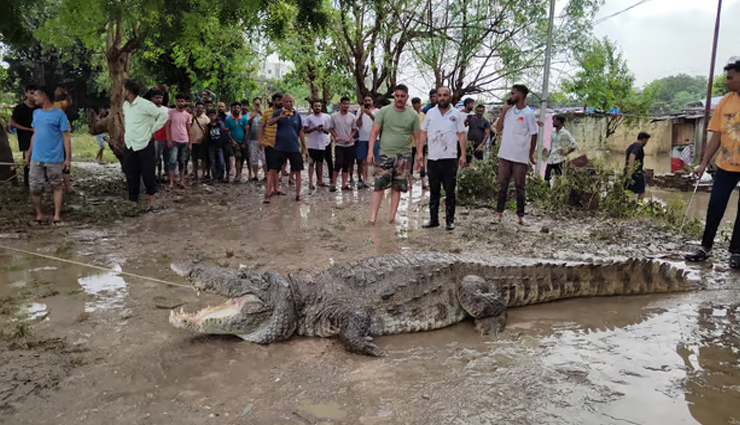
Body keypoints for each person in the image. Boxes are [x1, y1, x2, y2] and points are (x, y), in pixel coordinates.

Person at [685, 60, 740, 266]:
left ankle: (737, 252)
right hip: (725, 165)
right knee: (715, 205)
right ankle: (705, 247)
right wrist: (703, 163)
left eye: (730, 77)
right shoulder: (725, 102)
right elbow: (716, 136)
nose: (726, 82)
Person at [367, 84, 422, 224]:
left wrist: (420, 155)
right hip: (385, 154)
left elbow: (417, 137)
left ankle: (391, 217)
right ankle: (373, 217)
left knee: (397, 187)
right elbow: (374, 133)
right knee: (379, 186)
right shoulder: (384, 111)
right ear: (394, 96)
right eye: (397, 96)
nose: (399, 99)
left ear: (407, 97)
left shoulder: (413, 115)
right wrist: (370, 152)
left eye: (402, 96)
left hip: (404, 156)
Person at [420, 87, 466, 231]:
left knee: (450, 191)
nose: (442, 98)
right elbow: (423, 133)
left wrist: (463, 154)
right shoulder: (430, 113)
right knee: (434, 191)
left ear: (450, 97)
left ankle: (450, 221)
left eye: (445, 95)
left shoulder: (456, 115)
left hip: (450, 158)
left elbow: (461, 135)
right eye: (439, 95)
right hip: (433, 158)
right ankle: (433, 220)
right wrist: (420, 152)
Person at [23, 85, 70, 226]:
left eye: (36, 95)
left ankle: (56, 216)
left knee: (56, 186)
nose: (33, 98)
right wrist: (28, 153)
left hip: (54, 158)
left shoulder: (59, 114)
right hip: (37, 158)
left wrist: (68, 159)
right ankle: (40, 215)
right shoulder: (36, 114)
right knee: (35, 187)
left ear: (45, 96)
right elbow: (34, 134)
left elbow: (66, 137)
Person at [495, 84, 538, 226]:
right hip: (504, 155)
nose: (510, 96)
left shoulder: (528, 114)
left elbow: (534, 135)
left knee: (520, 186)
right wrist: (503, 111)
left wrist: (531, 155)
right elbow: (498, 128)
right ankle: (498, 213)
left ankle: (520, 216)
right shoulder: (508, 111)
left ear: (521, 95)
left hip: (520, 157)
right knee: (502, 185)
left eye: (513, 93)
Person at [121, 79, 169, 208]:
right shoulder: (125, 105)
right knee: (130, 173)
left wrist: (152, 129)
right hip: (130, 143)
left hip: (144, 143)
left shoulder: (145, 104)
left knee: (148, 173)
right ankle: (133, 200)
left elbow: (163, 116)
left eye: (123, 89)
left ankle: (152, 202)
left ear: (128, 91)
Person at [267, 93, 307, 201]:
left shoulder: (297, 115)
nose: (288, 103)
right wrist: (279, 118)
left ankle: (298, 195)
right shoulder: (278, 113)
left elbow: (301, 132)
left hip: (294, 147)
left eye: (290, 101)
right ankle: (267, 194)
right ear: (282, 102)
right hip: (279, 147)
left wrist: (305, 148)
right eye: (286, 101)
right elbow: (269, 123)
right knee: (272, 170)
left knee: (298, 171)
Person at [11, 84, 38, 186]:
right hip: (25, 136)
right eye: (31, 93)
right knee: (27, 158)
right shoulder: (19, 108)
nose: (33, 96)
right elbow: (12, 123)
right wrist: (28, 129)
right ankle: (27, 182)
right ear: (26, 93)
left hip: (38, 136)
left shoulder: (39, 108)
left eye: (35, 93)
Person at [330, 96, 358, 191]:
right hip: (339, 144)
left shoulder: (352, 117)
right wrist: (335, 136)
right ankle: (333, 183)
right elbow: (330, 128)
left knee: (347, 164)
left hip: (349, 144)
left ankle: (344, 184)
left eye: (347, 104)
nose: (346, 106)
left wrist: (350, 137)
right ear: (340, 104)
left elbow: (354, 129)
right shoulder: (334, 116)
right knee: (338, 163)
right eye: (344, 104)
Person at [304, 99, 332, 190]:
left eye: (319, 106)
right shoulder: (309, 118)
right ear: (312, 107)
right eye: (315, 106)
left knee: (320, 163)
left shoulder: (325, 117)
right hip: (312, 145)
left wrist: (323, 129)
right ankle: (311, 182)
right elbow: (304, 131)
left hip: (322, 144)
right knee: (311, 163)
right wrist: (314, 128)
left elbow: (328, 131)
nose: (317, 108)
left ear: (321, 107)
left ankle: (320, 181)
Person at [260, 93, 283, 202]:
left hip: (280, 144)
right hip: (269, 143)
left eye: (281, 100)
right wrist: (260, 140)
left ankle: (276, 188)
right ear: (273, 101)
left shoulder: (284, 113)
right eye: (278, 100)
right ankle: (267, 193)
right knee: (270, 169)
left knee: (277, 168)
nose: (280, 102)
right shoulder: (266, 112)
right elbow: (261, 126)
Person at [166, 94, 192, 189]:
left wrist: (190, 143)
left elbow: (189, 130)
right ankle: (171, 182)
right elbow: (167, 126)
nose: (180, 103)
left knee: (182, 161)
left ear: (185, 102)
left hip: (184, 141)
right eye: (179, 101)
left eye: (182, 101)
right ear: (176, 102)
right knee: (172, 161)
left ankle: (182, 181)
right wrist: (168, 139)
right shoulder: (171, 113)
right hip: (174, 141)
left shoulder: (188, 115)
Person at [545, 114, 577, 182]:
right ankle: (547, 191)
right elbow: (551, 145)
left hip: (560, 160)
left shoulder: (566, 133)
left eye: (554, 121)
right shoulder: (553, 133)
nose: (552, 123)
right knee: (546, 178)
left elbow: (574, 145)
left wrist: (566, 152)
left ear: (559, 121)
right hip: (551, 159)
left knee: (559, 179)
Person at [355, 95, 378, 189]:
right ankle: (365, 180)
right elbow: (358, 124)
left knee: (376, 161)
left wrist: (370, 114)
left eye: (369, 100)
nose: (367, 102)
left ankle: (378, 180)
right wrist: (361, 115)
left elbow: (378, 123)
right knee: (364, 161)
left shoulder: (377, 111)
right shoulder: (359, 111)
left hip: (375, 139)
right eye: (366, 100)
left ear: (372, 101)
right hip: (363, 138)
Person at [225, 102, 250, 183]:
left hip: (243, 141)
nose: (236, 109)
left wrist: (244, 142)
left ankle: (249, 174)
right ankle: (238, 174)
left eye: (238, 108)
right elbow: (227, 132)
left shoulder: (244, 119)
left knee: (245, 158)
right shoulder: (228, 120)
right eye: (235, 108)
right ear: (232, 109)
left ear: (240, 109)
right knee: (238, 157)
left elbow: (247, 131)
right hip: (234, 142)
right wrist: (232, 140)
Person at [148, 90, 170, 182]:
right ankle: (156, 176)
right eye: (156, 98)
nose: (158, 100)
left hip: (166, 136)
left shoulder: (166, 110)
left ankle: (167, 176)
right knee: (156, 158)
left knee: (167, 159)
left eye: (160, 98)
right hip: (155, 137)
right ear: (152, 99)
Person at [625, 132, 651, 200]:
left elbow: (634, 159)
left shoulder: (632, 146)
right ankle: (639, 206)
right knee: (642, 191)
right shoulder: (638, 146)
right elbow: (632, 155)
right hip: (635, 173)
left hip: (627, 172)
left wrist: (641, 168)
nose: (646, 142)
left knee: (626, 190)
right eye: (647, 140)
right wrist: (631, 170)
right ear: (643, 139)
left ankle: (623, 205)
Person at [189, 102, 210, 183]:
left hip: (202, 141)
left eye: (201, 108)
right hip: (193, 141)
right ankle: (195, 175)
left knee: (203, 159)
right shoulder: (191, 117)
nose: (200, 109)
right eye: (198, 107)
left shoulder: (206, 118)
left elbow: (207, 130)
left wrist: (203, 139)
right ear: (195, 108)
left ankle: (202, 175)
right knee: (194, 159)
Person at [410, 97, 428, 190]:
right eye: (418, 103)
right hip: (411, 143)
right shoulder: (409, 114)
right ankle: (410, 183)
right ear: (414, 104)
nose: (419, 105)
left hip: (422, 142)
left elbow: (425, 128)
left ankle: (423, 183)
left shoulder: (423, 115)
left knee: (421, 161)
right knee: (411, 162)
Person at [205, 109, 226, 182]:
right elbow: (206, 135)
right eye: (210, 116)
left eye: (213, 115)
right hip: (211, 145)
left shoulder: (219, 125)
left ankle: (221, 176)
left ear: (216, 116)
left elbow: (222, 134)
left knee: (221, 161)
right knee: (212, 161)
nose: (212, 117)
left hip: (219, 145)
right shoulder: (207, 126)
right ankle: (214, 176)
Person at [247, 97, 265, 181]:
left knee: (264, 158)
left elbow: (267, 122)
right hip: (252, 139)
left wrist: (261, 112)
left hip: (262, 139)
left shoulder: (264, 113)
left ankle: (266, 174)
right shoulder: (250, 114)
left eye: (259, 104)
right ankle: (255, 175)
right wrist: (253, 115)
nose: (257, 105)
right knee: (254, 158)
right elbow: (248, 123)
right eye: (256, 104)